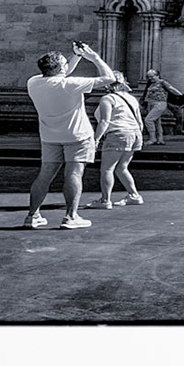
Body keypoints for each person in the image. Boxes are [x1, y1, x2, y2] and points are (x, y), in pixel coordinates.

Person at [24, 41, 122, 229]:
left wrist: (76, 55)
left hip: (49, 137)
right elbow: (109, 78)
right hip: (78, 137)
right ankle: (71, 216)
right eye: (64, 63)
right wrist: (93, 57)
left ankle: (32, 215)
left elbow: (60, 74)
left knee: (44, 175)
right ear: (60, 67)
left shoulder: (34, 82)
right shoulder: (70, 85)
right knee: (74, 174)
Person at [89, 79, 145, 210]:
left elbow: (104, 121)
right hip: (135, 133)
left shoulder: (108, 99)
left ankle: (105, 200)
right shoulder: (131, 98)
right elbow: (140, 122)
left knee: (107, 169)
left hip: (118, 134)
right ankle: (134, 195)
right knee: (122, 167)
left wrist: (95, 139)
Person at [141, 68, 175, 145]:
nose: (150, 78)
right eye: (148, 77)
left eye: (152, 76)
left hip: (159, 103)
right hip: (151, 103)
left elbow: (171, 88)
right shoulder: (151, 84)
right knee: (157, 121)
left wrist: (181, 96)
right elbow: (147, 93)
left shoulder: (162, 82)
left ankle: (152, 138)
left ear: (157, 76)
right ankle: (160, 139)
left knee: (148, 120)